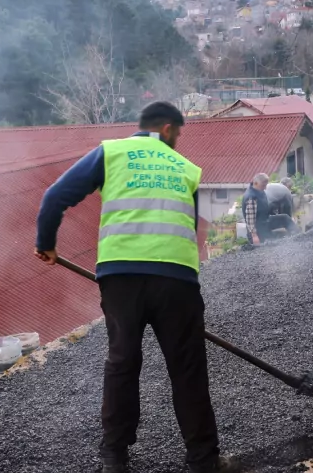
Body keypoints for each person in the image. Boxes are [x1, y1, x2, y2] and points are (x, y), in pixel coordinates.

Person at [33, 101, 237, 473]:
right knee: (187, 368)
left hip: (121, 276)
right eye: (178, 132)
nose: (178, 140)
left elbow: (53, 198)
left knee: (122, 362)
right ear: (166, 129)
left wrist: (46, 242)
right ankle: (204, 461)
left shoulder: (111, 152)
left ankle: (114, 457)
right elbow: (188, 228)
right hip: (177, 280)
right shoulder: (187, 169)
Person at [242, 174, 300, 246]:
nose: (265, 188)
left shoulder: (259, 190)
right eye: (263, 185)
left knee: (285, 218)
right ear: (255, 183)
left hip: (265, 221)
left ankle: (299, 237)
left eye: (266, 185)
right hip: (258, 229)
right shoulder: (251, 197)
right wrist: (254, 236)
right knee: (270, 245)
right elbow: (250, 220)